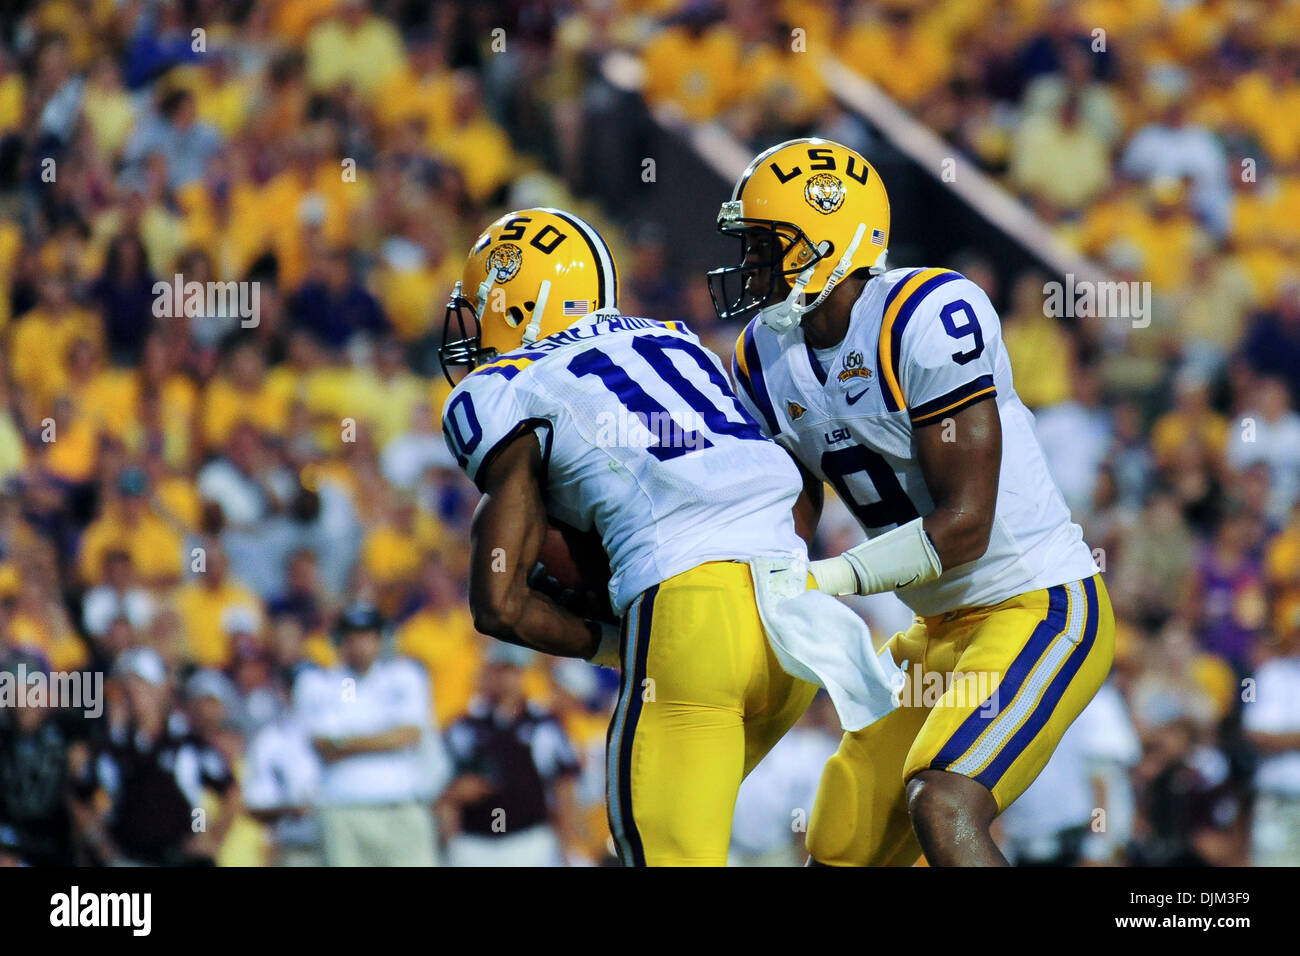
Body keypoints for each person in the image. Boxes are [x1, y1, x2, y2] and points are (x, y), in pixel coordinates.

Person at [438, 207, 898, 866]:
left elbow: (498, 602)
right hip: (796, 619)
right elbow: (796, 485)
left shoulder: (512, 381)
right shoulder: (682, 342)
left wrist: (616, 644)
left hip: (691, 620)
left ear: (510, 301)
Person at [708, 138, 1115, 866]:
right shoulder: (761, 356)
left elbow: (964, 527)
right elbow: (786, 525)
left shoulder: (926, 312)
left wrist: (826, 579)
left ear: (831, 241)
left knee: (944, 800)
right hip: (934, 629)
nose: (751, 265)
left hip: (1036, 602)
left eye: (768, 244)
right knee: (839, 847)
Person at [292, 602, 443, 866]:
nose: (360, 644)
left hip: (400, 805)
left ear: (380, 639)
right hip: (342, 808)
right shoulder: (316, 683)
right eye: (352, 637)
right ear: (339, 641)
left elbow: (409, 735)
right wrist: (385, 737)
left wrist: (347, 742)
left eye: (368, 636)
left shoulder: (405, 676)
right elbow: (324, 746)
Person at [439, 643, 581, 866]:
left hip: (529, 840)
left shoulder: (544, 725)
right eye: (499, 670)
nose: (506, 678)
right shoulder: (464, 727)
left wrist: (566, 848)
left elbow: (564, 789)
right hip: (474, 843)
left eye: (512, 670)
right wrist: (451, 840)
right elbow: (443, 792)